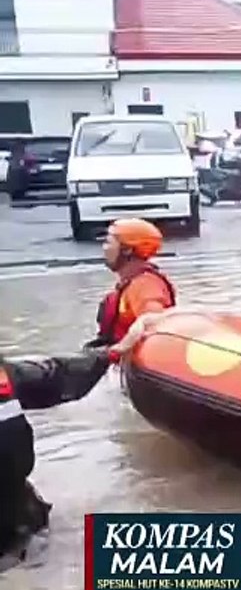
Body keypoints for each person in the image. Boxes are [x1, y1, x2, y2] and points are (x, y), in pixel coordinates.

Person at [2, 349, 112, 570]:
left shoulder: (10, 376)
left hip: (21, 525)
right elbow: (55, 378)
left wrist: (108, 354)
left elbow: (55, 377)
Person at [87, 219, 176, 350]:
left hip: (130, 359)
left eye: (108, 242)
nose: (104, 248)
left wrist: (122, 347)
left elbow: (157, 323)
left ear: (127, 250)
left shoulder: (145, 285)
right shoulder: (130, 282)